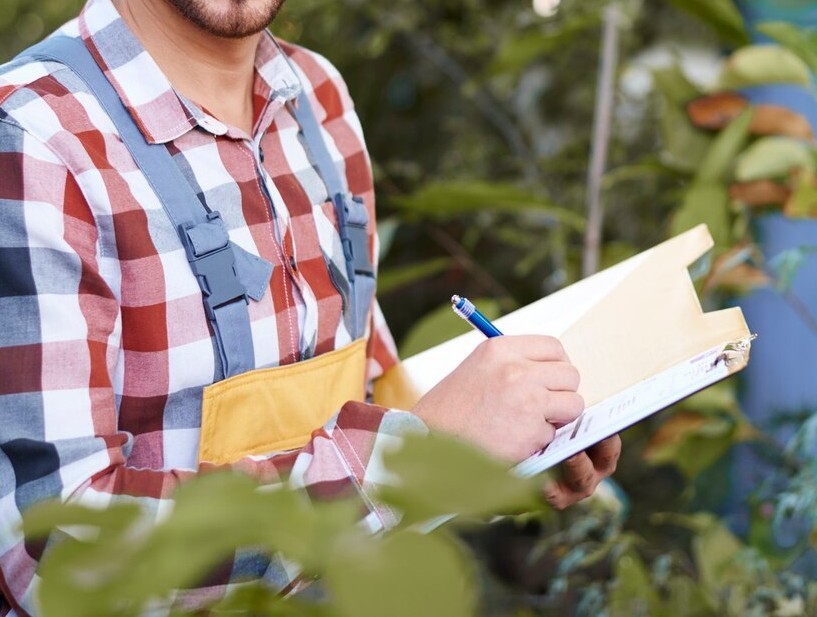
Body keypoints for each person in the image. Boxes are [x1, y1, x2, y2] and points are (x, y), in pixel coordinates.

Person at [0, 0, 621, 612]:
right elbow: (58, 558)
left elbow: (368, 397)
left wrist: (489, 457)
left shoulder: (317, 99)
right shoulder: (37, 141)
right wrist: (418, 456)